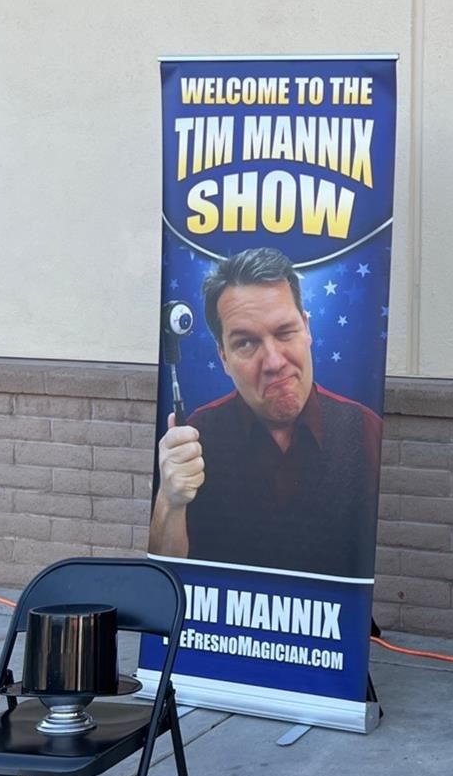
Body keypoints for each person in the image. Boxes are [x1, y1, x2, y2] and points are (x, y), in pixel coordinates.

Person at [150, 247, 382, 578]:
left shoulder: (365, 432)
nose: (273, 362)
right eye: (246, 343)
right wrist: (170, 501)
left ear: (306, 329)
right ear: (224, 357)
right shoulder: (196, 438)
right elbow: (164, 576)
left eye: (285, 332)